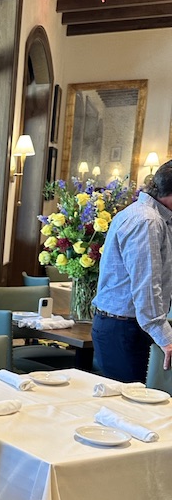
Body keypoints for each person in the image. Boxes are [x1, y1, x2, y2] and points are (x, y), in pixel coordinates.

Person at [92, 160, 172, 383]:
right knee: (130, 409)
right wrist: (165, 337)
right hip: (125, 329)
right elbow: (146, 286)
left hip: (130, 326)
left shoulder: (153, 217)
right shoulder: (146, 221)